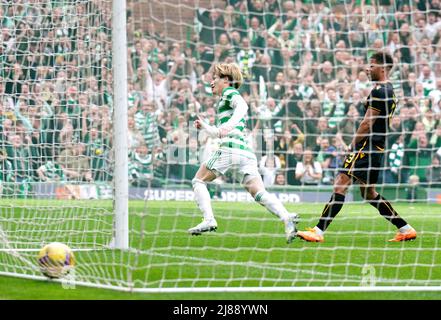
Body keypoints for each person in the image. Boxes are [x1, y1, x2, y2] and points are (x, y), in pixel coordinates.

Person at [297, 52, 417, 243]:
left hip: (366, 147)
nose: (367, 69)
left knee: (340, 183)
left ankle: (318, 231)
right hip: (377, 149)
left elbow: (366, 123)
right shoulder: (390, 90)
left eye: (371, 66)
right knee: (369, 193)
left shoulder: (379, 91)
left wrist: (352, 145)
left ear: (383, 68)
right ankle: (405, 228)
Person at [188, 62, 298, 243]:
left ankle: (209, 220)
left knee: (198, 180)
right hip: (245, 153)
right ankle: (286, 217)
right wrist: (205, 126)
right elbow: (218, 132)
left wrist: (229, 125)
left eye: (215, 78)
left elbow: (243, 107)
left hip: (230, 149)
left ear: (226, 80)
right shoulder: (223, 102)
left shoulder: (229, 93)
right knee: (258, 193)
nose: (212, 82)